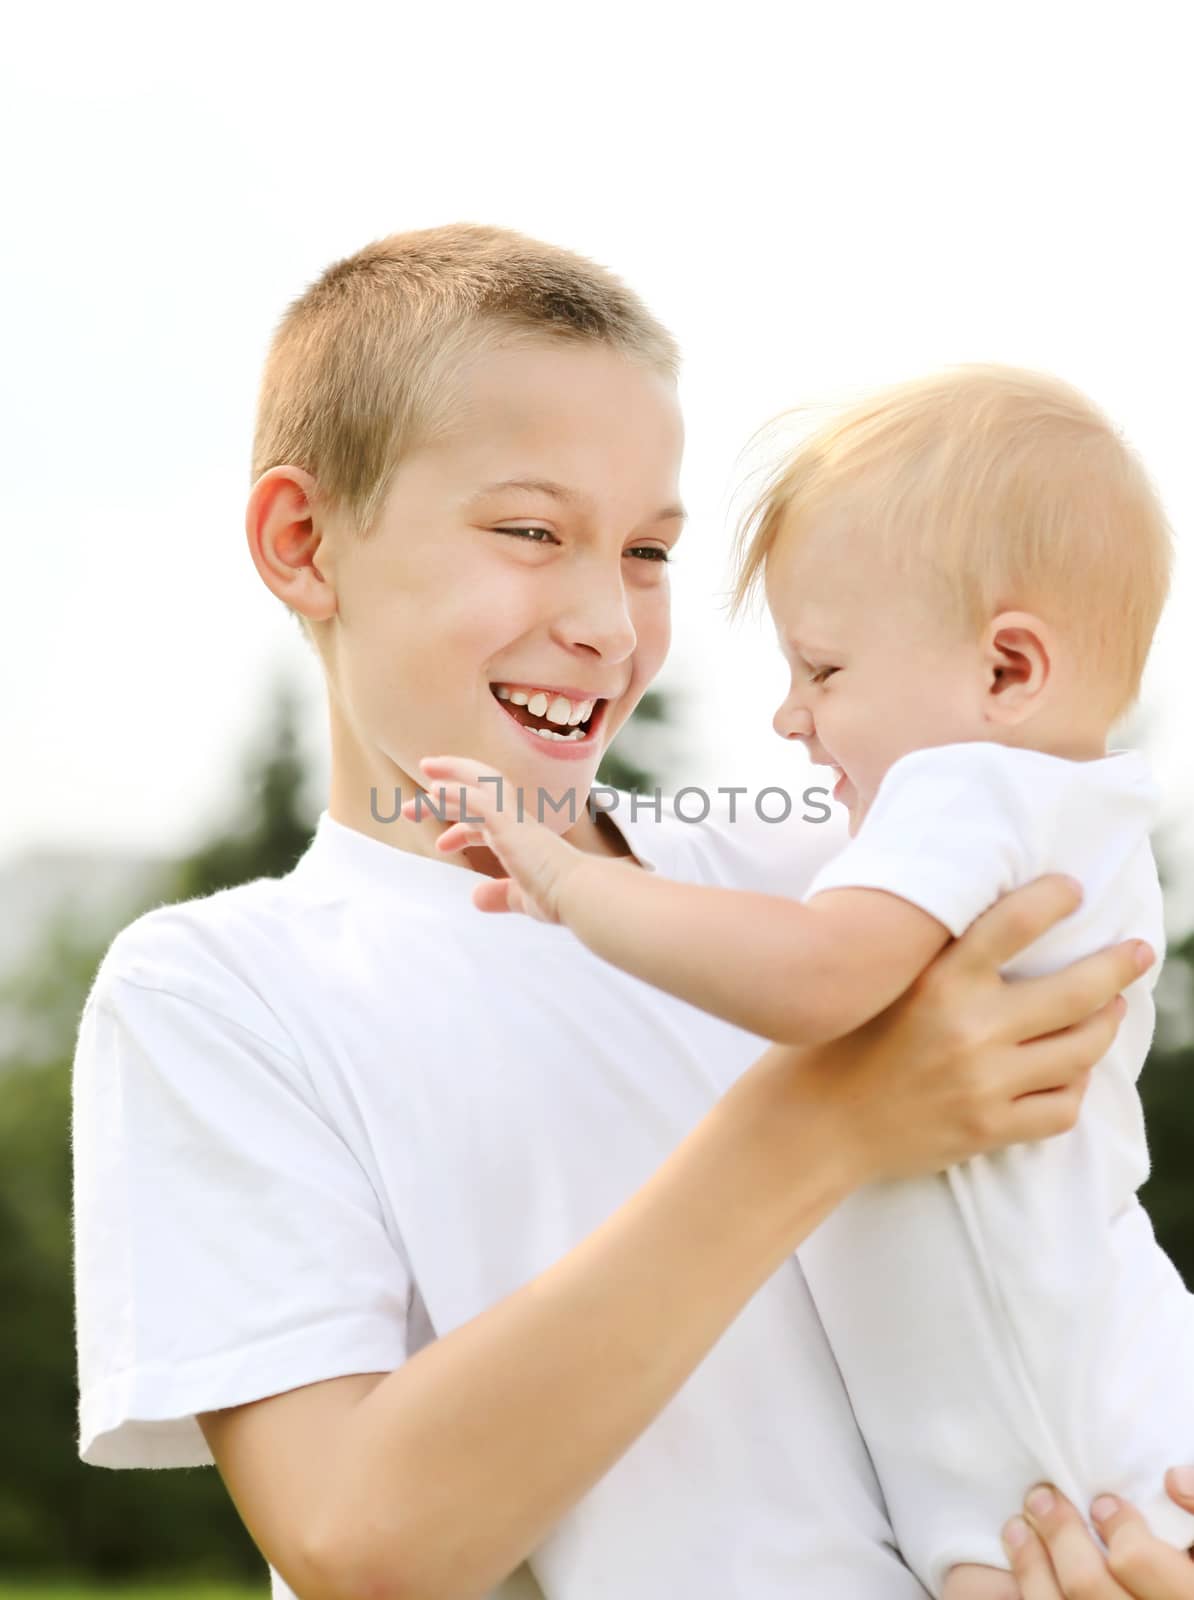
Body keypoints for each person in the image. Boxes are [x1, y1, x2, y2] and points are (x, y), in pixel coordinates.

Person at [68, 225, 1193, 1600]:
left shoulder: (813, 887)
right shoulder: (221, 990)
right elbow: (362, 1539)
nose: (608, 619)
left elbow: (1071, 1243)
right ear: (303, 544)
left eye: (650, 552)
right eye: (530, 532)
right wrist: (822, 1120)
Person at [411, 364, 1194, 1600]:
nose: (790, 718)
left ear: (1007, 673)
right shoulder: (1067, 812)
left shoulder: (975, 789)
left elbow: (816, 980)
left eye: (823, 671)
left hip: (1081, 1460)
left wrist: (570, 882)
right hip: (1052, 1469)